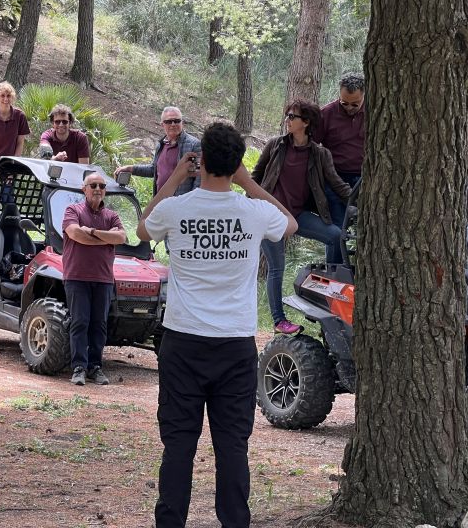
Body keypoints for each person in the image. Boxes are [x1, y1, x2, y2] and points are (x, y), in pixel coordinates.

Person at [136, 122, 297, 528]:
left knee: (178, 447)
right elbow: (290, 225)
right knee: (231, 448)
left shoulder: (176, 209)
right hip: (234, 346)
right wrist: (248, 183)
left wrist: (173, 177)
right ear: (237, 163)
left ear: (201, 159)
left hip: (182, 343)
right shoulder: (254, 212)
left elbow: (142, 229)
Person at [252, 100, 351, 334]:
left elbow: (337, 184)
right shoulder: (275, 145)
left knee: (336, 236)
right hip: (270, 215)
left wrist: (361, 201)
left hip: (296, 216)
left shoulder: (319, 154)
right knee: (277, 268)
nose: (287, 120)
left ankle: (328, 292)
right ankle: (279, 321)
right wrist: (250, 205)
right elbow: (255, 176)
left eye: (292, 116)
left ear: (306, 123)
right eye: (287, 115)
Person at [62, 172, 127, 386]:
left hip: (104, 278)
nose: (98, 189)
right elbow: (75, 234)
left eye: (101, 185)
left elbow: (121, 237)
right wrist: (105, 237)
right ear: (84, 189)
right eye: (93, 185)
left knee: (99, 324)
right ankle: (79, 367)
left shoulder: (112, 215)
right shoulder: (73, 210)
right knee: (80, 322)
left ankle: (95, 367)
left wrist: (91, 232)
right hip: (77, 276)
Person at [314, 72, 365, 228]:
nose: (349, 108)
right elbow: (312, 145)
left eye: (355, 104)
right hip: (334, 179)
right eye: (344, 103)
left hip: (365, 179)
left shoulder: (376, 112)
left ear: (364, 96)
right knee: (336, 228)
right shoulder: (327, 114)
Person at [115, 106, 201, 196]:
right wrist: (131, 168)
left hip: (180, 203)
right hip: (160, 201)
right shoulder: (161, 145)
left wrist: (190, 202)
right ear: (162, 124)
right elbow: (154, 170)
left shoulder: (193, 145)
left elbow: (198, 177)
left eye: (176, 121)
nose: (173, 124)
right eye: (168, 121)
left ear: (182, 122)